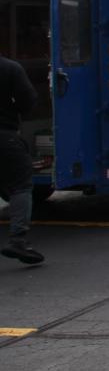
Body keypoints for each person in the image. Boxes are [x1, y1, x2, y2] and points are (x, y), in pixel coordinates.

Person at [1, 52, 41, 265]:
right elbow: (28, 101)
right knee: (20, 185)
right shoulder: (10, 68)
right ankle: (18, 239)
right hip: (4, 136)